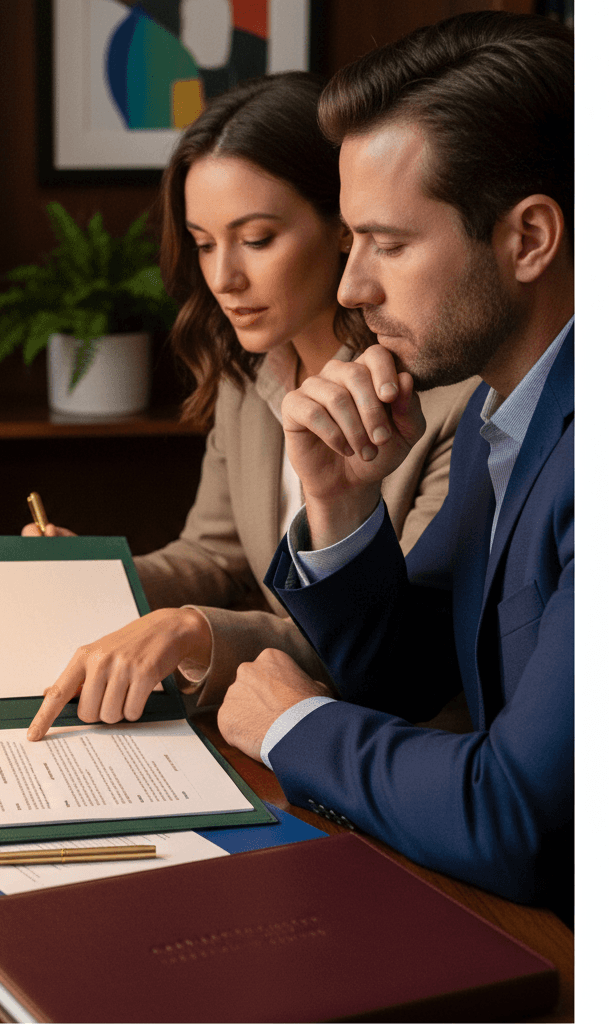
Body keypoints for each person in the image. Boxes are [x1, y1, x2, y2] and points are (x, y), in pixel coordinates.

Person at [216, 11, 574, 922]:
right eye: (352, 240)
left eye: (391, 243)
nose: (350, 288)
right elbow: (410, 679)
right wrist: (341, 502)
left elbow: (519, 819)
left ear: (529, 239)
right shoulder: (514, 407)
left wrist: (292, 725)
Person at [26, 72, 477, 741]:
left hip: (393, 746)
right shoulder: (247, 375)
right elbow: (212, 556)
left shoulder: (444, 399)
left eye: (257, 238)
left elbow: (389, 648)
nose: (223, 278)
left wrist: (194, 630)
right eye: (204, 243)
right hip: (262, 722)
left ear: (344, 226)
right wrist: (95, 572)